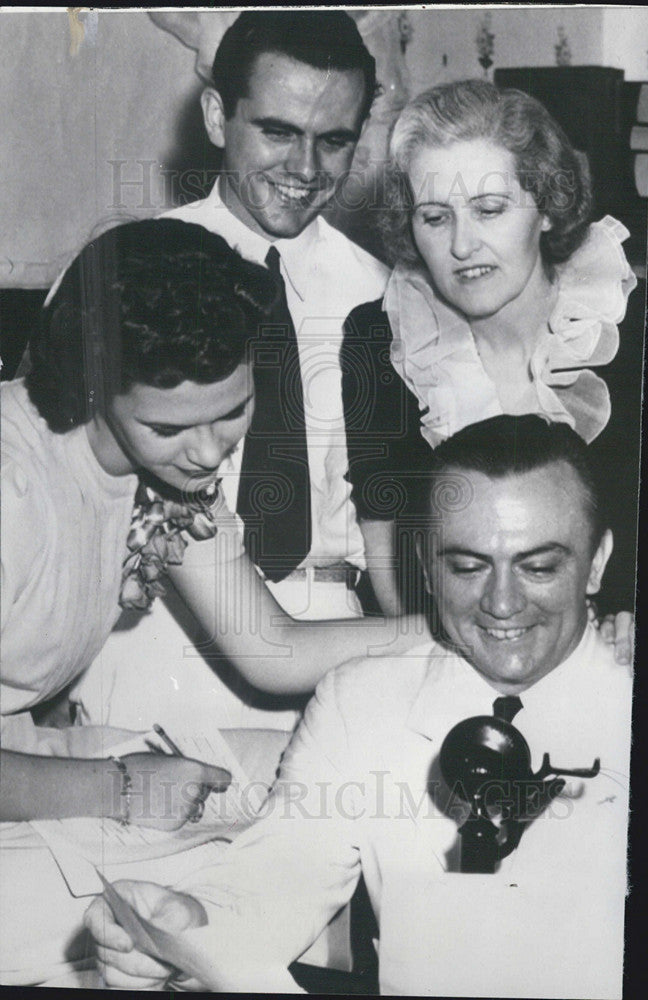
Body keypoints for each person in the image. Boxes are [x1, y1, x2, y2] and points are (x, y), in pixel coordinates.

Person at [0, 217, 425, 984]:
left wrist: (460, 630)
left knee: (345, 787)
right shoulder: (13, 489)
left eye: (231, 412)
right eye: (169, 426)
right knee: (184, 898)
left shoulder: (158, 473)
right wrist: (117, 788)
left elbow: (271, 648)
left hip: (23, 759)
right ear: (93, 384)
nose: (205, 453)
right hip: (27, 783)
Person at [84, 414, 632, 997]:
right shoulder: (362, 701)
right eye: (468, 567)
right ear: (425, 565)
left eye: (540, 567)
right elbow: (274, 881)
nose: (501, 602)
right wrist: (185, 922)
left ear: (596, 563)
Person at [69, 9, 407, 735]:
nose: (305, 169)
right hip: (154, 644)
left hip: (340, 651)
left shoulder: (390, 298)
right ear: (218, 115)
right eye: (278, 132)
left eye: (334, 140)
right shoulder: (127, 269)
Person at [341, 79, 638, 628]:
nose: (461, 244)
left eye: (490, 209)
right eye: (434, 217)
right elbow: (387, 552)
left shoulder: (632, 330)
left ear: (547, 207)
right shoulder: (378, 340)